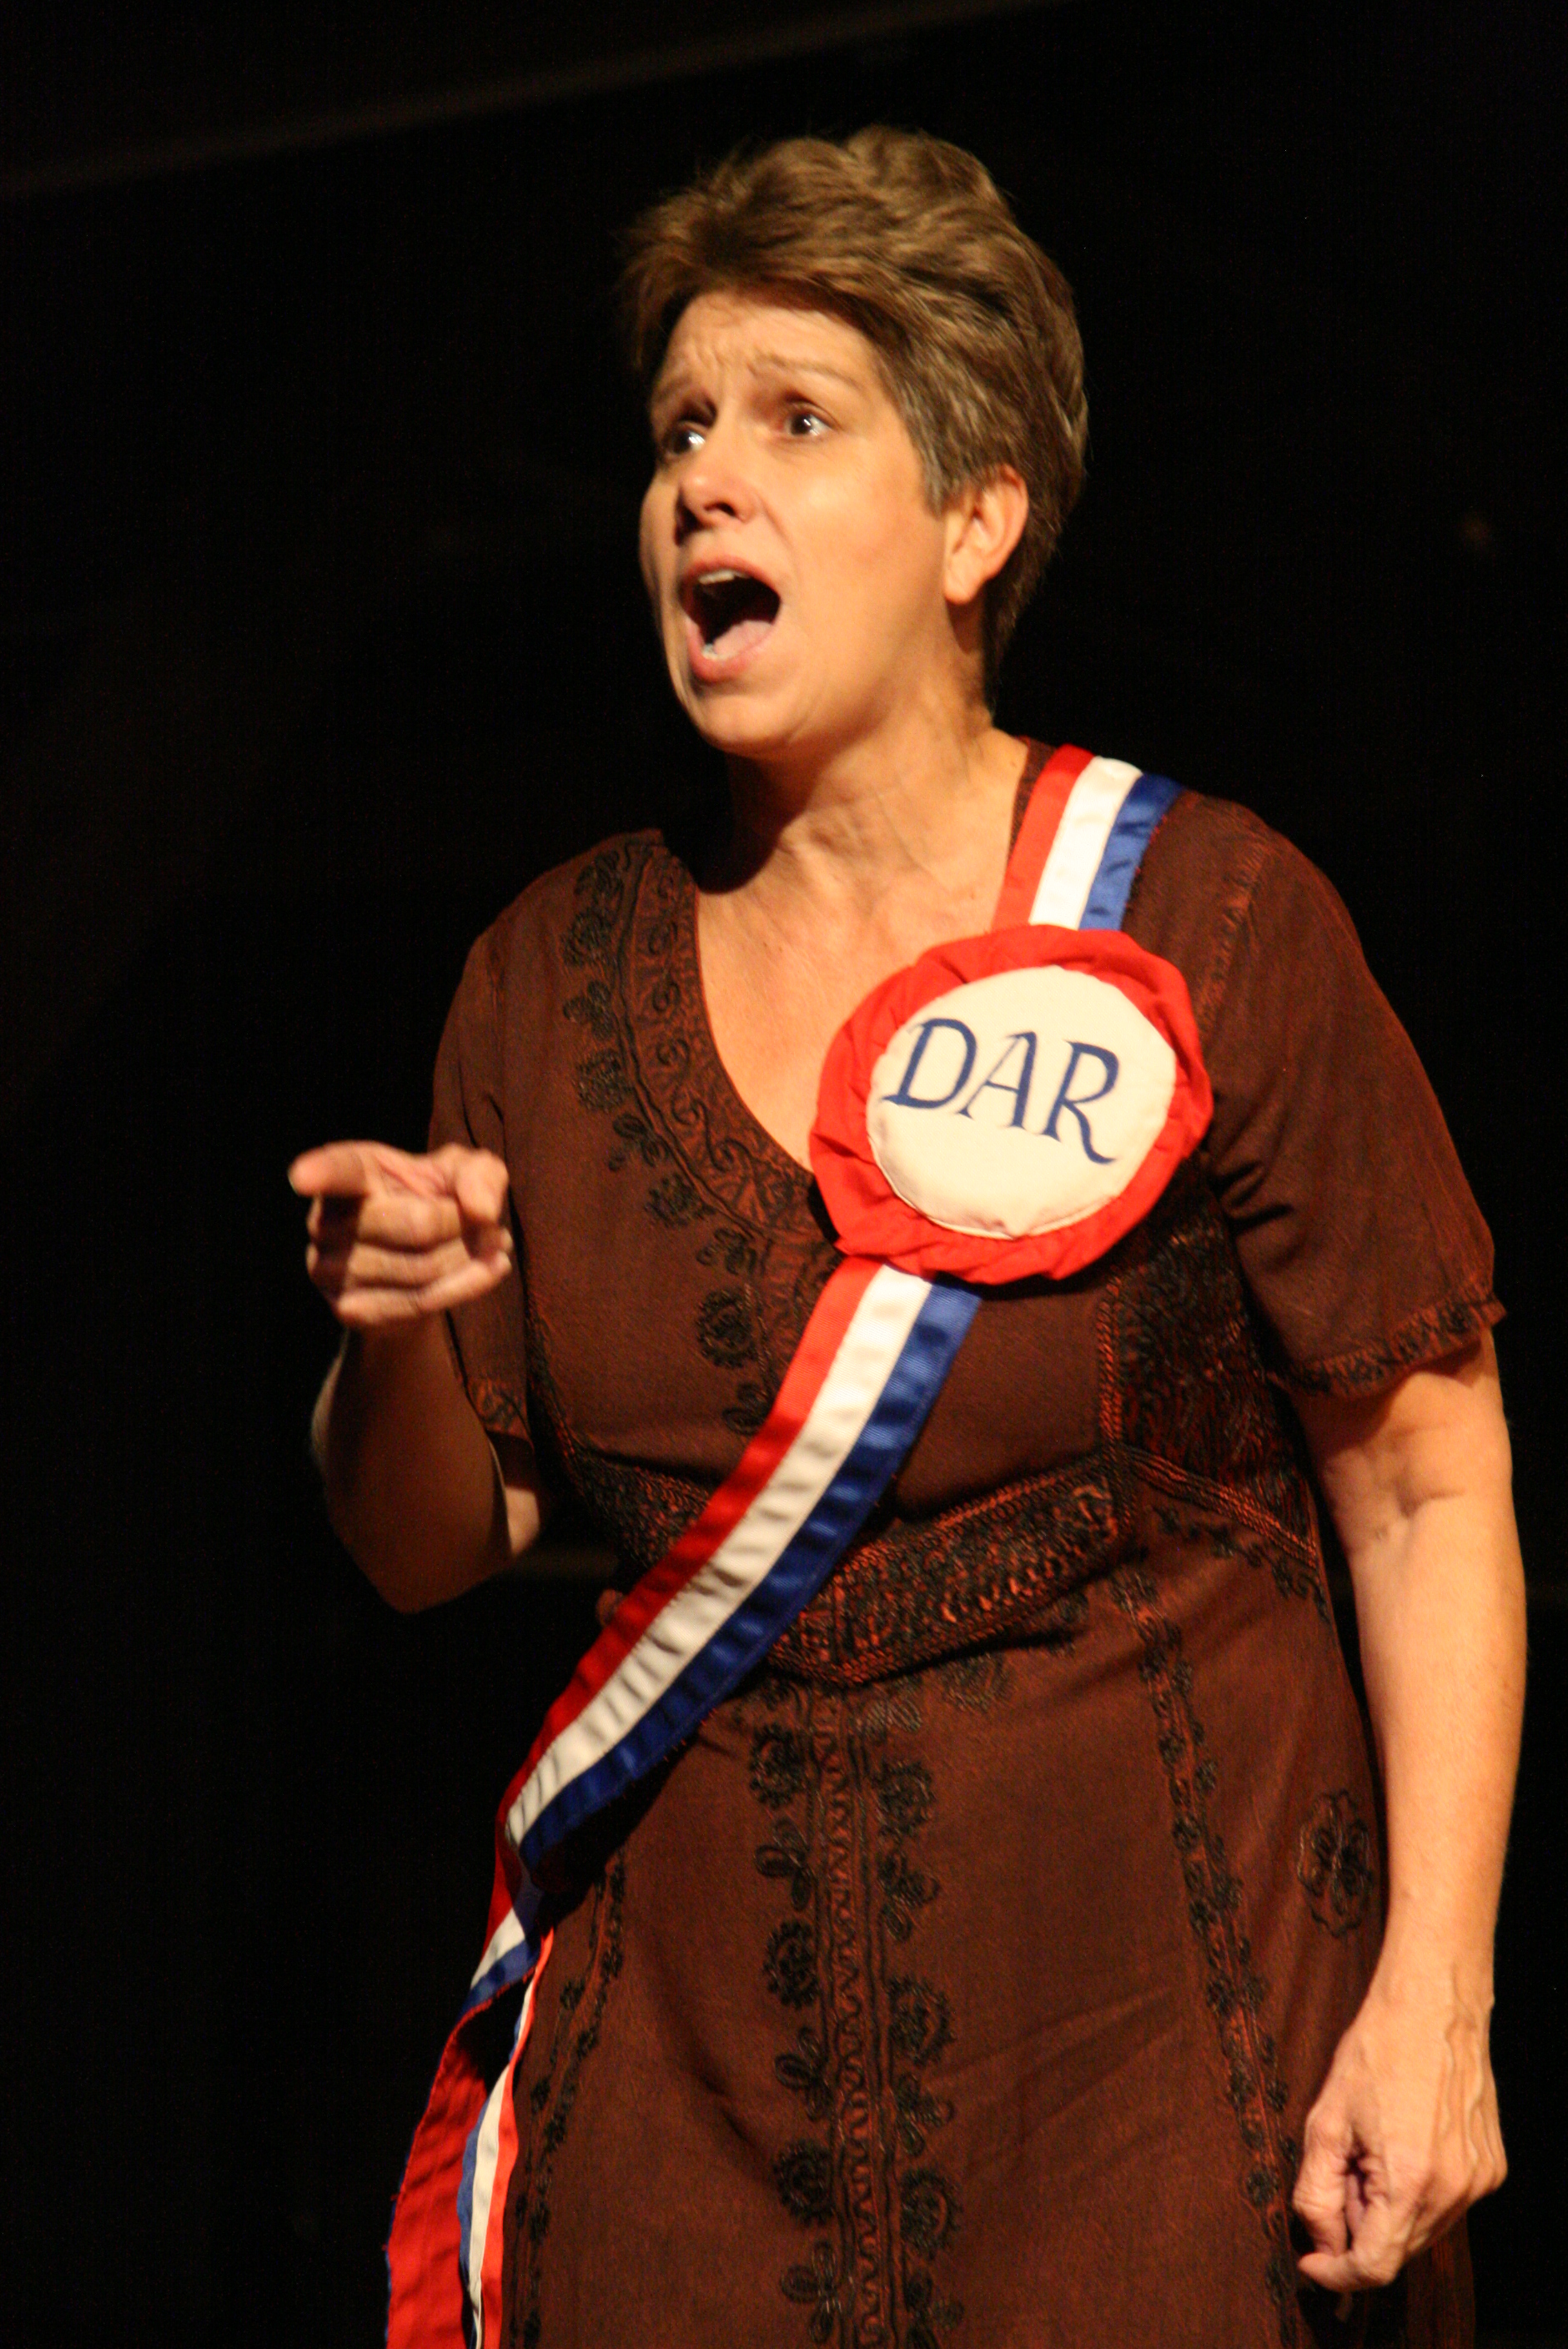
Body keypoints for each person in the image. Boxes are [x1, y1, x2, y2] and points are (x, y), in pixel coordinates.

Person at [290, 129, 1524, 2349]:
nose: (706, 484)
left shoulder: (1212, 914)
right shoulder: (550, 979)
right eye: (679, 428)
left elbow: (1430, 1488)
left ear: (976, 524)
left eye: (796, 421)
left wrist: (1437, 2003)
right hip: (685, 2145)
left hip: (1178, 2093)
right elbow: (422, 1549)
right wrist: (398, 1332)